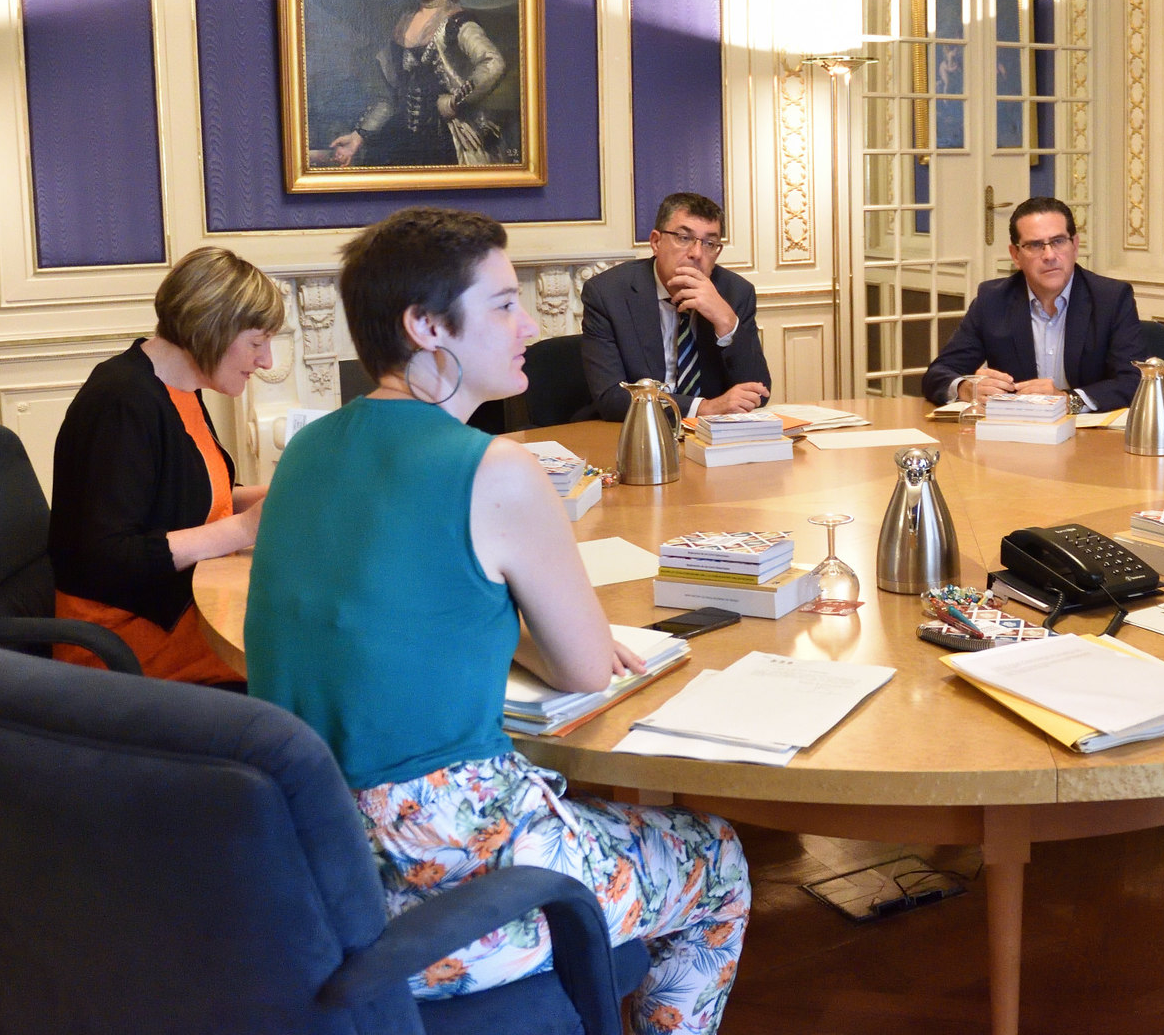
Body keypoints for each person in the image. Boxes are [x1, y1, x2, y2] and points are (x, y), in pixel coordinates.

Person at [244, 208, 748, 1029]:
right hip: (448, 882)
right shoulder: (497, 468)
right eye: (506, 303)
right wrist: (561, 637)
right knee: (718, 859)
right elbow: (587, 671)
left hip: (310, 879)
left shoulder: (305, 451)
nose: (529, 324)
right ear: (425, 326)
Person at [48, 248, 283, 685]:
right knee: (300, 660)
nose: (267, 360)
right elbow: (106, 557)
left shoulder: (178, 386)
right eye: (256, 342)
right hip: (125, 646)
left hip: (172, 610)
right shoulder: (122, 401)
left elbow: (184, 496)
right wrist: (246, 528)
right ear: (210, 330)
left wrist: (281, 494)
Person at [921, 196, 1145, 412]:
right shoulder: (993, 300)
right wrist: (967, 389)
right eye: (1035, 245)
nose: (1049, 255)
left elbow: (1134, 381)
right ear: (1015, 255)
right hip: (1018, 435)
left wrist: (1069, 400)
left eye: (1058, 242)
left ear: (1075, 246)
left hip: (1092, 438)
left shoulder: (1111, 298)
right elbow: (938, 373)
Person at [316, 0, 508, 170]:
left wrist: (454, 102)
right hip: (402, 141)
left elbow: (493, 63)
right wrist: (357, 138)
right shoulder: (402, 22)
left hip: (445, 141)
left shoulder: (458, 22)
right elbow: (390, 97)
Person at [580, 192, 771, 419]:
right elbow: (611, 397)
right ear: (656, 242)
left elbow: (758, 393)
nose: (696, 253)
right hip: (636, 434)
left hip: (711, 439)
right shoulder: (608, 294)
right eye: (683, 238)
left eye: (709, 243)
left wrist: (727, 323)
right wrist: (703, 408)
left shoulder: (736, 293)